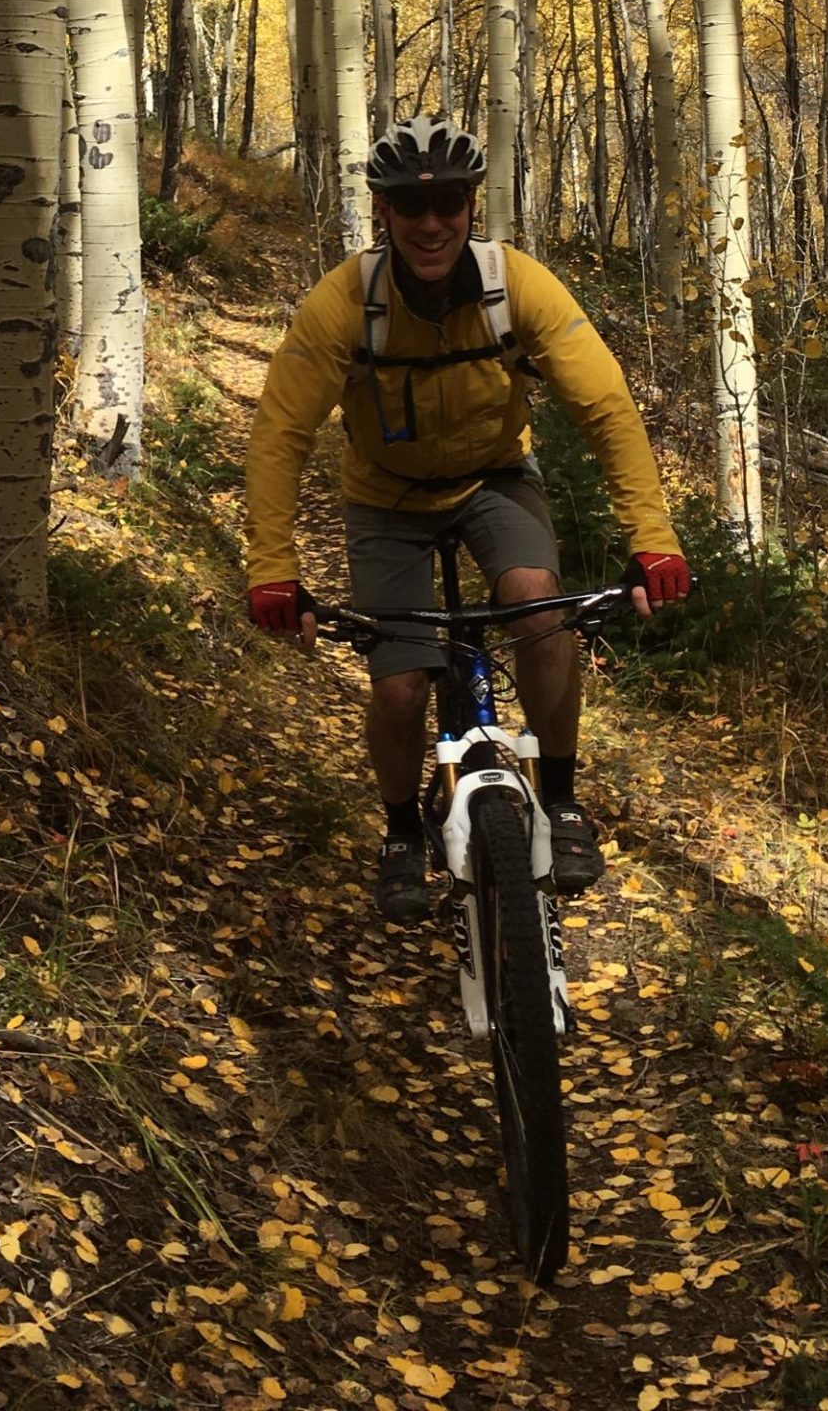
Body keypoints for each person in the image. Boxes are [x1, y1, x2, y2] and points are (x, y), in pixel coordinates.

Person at [244, 114, 690, 921]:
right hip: (386, 496)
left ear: (471, 205)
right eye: (409, 207)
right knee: (403, 687)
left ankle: (559, 799)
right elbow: (281, 433)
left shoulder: (515, 284)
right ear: (381, 212)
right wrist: (273, 566)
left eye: (448, 202)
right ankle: (401, 831)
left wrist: (652, 539)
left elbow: (607, 408)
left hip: (494, 477)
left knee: (538, 605)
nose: (430, 223)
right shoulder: (344, 302)